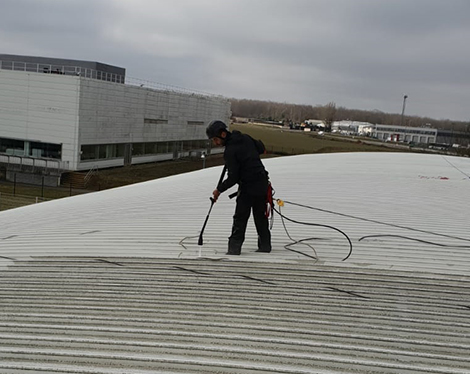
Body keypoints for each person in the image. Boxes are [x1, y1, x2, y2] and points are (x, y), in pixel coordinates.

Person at [206, 120, 272, 255]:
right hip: (262, 183)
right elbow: (261, 148)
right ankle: (265, 246)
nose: (215, 143)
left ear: (223, 134)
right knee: (260, 216)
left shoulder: (230, 151)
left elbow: (233, 178)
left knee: (240, 218)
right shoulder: (245, 137)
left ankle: (234, 249)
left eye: (215, 139)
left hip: (248, 187)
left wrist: (219, 190)